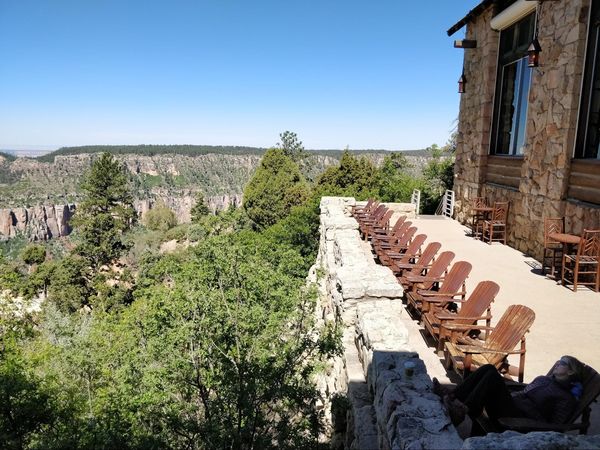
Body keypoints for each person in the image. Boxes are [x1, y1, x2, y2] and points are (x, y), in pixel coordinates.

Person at [433, 355, 585, 426]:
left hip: (518, 419)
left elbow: (556, 426)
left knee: (492, 375)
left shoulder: (566, 398)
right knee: (489, 369)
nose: (557, 363)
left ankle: (462, 410)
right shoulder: (544, 379)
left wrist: (532, 421)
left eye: (563, 362)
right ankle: (452, 395)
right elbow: (525, 390)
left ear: (571, 372)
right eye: (558, 360)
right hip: (512, 404)